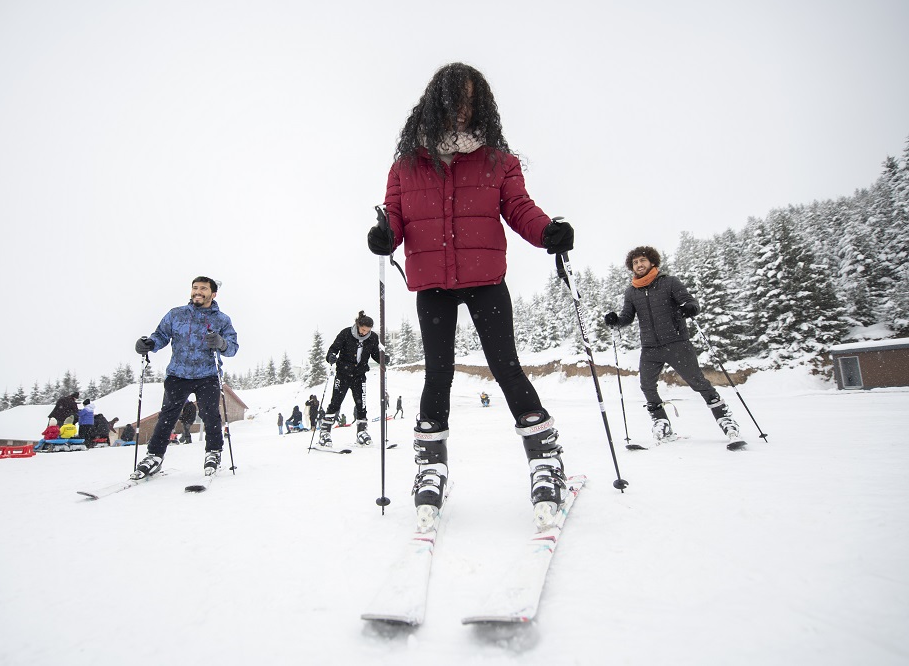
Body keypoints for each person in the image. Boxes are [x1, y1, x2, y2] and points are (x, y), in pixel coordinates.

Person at [367, 62, 576, 528]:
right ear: (436, 100)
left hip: (486, 280)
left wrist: (547, 233)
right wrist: (385, 235)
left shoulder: (499, 161)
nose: (463, 109)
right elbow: (397, 218)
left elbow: (519, 208)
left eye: (471, 100)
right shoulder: (406, 164)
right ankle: (430, 467)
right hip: (432, 285)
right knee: (437, 374)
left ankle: (544, 457)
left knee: (506, 367)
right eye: (455, 98)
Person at [603, 245, 742, 445]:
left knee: (698, 383)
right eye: (635, 262)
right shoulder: (631, 292)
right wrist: (615, 320)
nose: (639, 265)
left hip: (676, 343)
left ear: (652, 262)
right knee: (646, 386)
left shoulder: (669, 283)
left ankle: (726, 421)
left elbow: (690, 302)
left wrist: (690, 308)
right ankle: (662, 424)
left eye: (642, 260)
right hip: (650, 347)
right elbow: (627, 317)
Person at [131, 276, 238, 479]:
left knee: (210, 414)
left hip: (208, 374)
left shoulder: (222, 320)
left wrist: (221, 342)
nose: (198, 291)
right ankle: (154, 456)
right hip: (178, 374)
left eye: (203, 288)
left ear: (213, 294)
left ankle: (213, 453)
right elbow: (161, 336)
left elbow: (232, 348)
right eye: (195, 288)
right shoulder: (176, 314)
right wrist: (149, 344)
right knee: (168, 416)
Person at [317, 311, 383, 448]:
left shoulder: (373, 338)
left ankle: (362, 432)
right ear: (358, 325)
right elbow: (333, 349)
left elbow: (376, 355)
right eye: (363, 330)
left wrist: (383, 358)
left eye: (368, 331)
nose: (365, 333)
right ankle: (325, 432)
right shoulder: (346, 333)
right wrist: (331, 356)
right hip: (343, 374)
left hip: (359, 375)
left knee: (361, 404)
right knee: (335, 403)